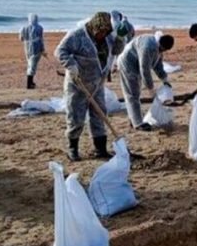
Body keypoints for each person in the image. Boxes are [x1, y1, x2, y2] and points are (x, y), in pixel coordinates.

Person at [56, 12, 125, 161]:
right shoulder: (77, 35)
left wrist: (120, 37)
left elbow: (116, 50)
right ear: (94, 27)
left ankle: (100, 149)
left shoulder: (107, 36)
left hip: (97, 83)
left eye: (105, 32)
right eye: (100, 32)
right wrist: (71, 65)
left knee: (99, 114)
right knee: (76, 116)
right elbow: (60, 51)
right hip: (78, 83)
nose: (102, 35)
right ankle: (73, 148)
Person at [118, 34, 174, 131]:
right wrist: (150, 88)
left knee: (136, 93)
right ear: (160, 44)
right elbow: (145, 70)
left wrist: (164, 79)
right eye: (162, 49)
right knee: (132, 94)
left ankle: (134, 118)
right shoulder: (148, 47)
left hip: (135, 65)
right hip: (127, 65)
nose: (162, 52)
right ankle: (137, 123)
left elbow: (157, 65)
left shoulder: (157, 48)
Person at [19, 13, 45, 89]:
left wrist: (27, 40)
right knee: (32, 65)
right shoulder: (39, 28)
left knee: (30, 63)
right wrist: (42, 49)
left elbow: (21, 38)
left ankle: (31, 82)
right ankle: (29, 83)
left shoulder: (23, 28)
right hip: (36, 48)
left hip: (27, 47)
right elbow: (41, 39)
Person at [107, 10, 135, 83]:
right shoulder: (120, 24)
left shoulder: (109, 24)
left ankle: (108, 74)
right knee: (120, 58)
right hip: (120, 44)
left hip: (110, 44)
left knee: (109, 59)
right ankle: (120, 71)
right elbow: (127, 35)